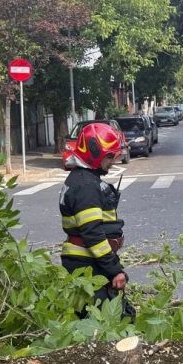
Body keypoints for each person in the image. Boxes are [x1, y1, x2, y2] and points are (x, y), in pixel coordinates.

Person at [59, 122, 130, 311]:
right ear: (95, 153)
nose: (113, 161)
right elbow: (93, 233)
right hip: (87, 263)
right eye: (109, 156)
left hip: (88, 261)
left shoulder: (82, 179)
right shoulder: (86, 187)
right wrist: (114, 270)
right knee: (109, 318)